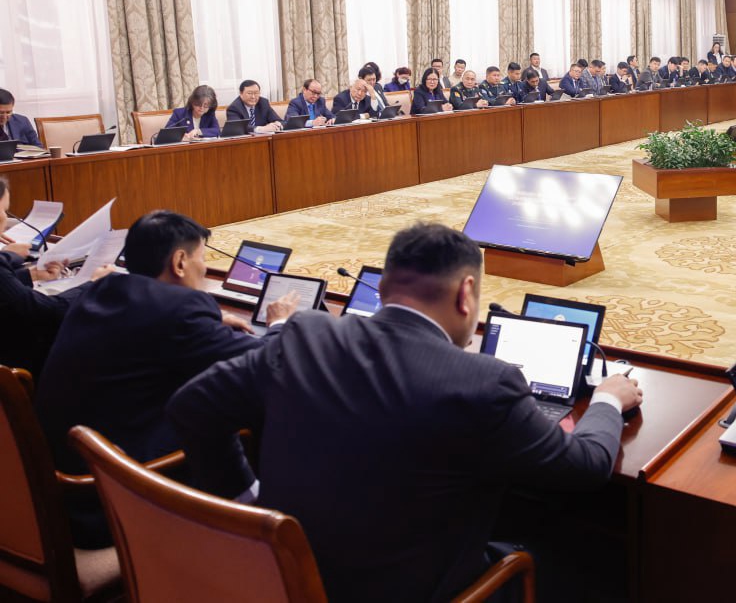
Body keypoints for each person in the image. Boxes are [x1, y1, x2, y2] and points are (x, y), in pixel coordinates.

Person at [169, 223, 641, 603]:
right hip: (413, 590)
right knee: (577, 561)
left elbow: (192, 407)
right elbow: (584, 467)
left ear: (382, 287)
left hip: (284, 572)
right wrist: (606, 399)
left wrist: (247, 503)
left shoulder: (302, 335)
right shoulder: (483, 382)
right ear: (466, 294)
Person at [36, 211, 289, 547]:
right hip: (114, 500)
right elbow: (265, 362)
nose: (203, 269)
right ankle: (252, 540)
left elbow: (154, 327)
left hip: (62, 486)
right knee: (242, 417)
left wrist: (209, 322)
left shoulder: (103, 288)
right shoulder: (180, 311)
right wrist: (278, 324)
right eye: (202, 259)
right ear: (180, 262)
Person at [0, 176, 113, 379]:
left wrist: (32, 274)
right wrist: (92, 284)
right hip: (17, 371)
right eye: (4, 210)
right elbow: (47, 312)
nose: (5, 219)